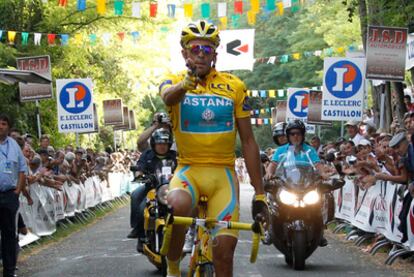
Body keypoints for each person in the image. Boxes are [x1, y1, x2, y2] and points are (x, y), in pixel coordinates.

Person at [159, 20, 267, 277]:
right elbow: (167, 97)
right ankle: (173, 265)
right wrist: (186, 83)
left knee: (224, 253)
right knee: (177, 203)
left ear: (215, 54)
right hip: (188, 171)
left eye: (207, 50)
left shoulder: (234, 86)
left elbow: (249, 141)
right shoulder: (173, 81)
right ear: (185, 52)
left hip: (223, 176)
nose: (200, 54)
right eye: (195, 48)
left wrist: (260, 194)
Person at [265, 120, 334, 246]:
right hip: (286, 184)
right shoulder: (281, 150)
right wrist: (269, 173)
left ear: (302, 135)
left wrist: (323, 174)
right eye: (292, 134)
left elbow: (317, 164)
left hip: (307, 185)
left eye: (298, 133)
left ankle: (320, 233)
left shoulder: (309, 150)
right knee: (272, 203)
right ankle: (270, 231)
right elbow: (273, 164)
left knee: (318, 205)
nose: (295, 136)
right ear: (288, 135)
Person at [128, 128, 177, 253]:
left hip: (172, 188)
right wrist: (139, 174)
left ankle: (189, 231)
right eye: (159, 143)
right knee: (136, 197)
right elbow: (139, 167)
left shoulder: (175, 156)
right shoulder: (147, 155)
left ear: (169, 144)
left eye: (165, 143)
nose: (162, 146)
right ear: (154, 144)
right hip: (151, 187)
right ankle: (139, 233)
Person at [0, 114, 27, 277]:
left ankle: (9, 270)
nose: (0, 126)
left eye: (3, 124)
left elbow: (22, 170)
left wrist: (17, 191)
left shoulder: (14, 146)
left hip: (10, 194)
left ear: (8, 127)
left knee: (9, 234)